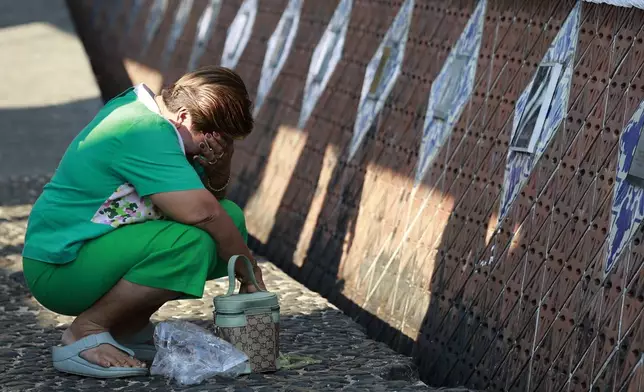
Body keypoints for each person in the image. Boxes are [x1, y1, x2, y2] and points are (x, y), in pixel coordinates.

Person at [21, 66, 267, 378]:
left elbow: (212, 206)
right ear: (185, 117)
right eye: (214, 138)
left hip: (92, 252)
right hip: (59, 267)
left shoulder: (153, 120)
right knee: (189, 244)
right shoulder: (143, 131)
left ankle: (127, 327)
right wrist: (250, 272)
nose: (215, 146)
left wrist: (220, 165)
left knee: (228, 219)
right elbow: (201, 214)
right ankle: (85, 332)